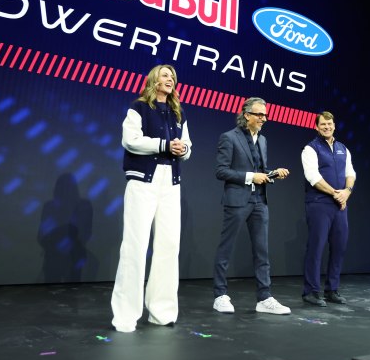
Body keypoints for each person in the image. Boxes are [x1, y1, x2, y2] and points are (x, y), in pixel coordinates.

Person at [111, 64, 192, 333]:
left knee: (169, 246)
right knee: (134, 246)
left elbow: (188, 146)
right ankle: (125, 316)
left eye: (173, 77)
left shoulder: (179, 113)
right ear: (154, 79)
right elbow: (130, 140)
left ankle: (162, 312)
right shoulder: (139, 107)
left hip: (171, 182)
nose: (170, 79)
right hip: (143, 181)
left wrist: (183, 149)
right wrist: (164, 145)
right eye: (165, 75)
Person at [212, 97, 291, 315]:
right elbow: (221, 171)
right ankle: (220, 295)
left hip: (259, 201)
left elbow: (260, 172)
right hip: (237, 200)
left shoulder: (263, 140)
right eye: (259, 114)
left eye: (265, 115)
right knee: (226, 249)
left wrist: (273, 174)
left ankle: (264, 298)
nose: (263, 118)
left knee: (262, 252)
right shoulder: (229, 137)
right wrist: (250, 177)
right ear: (246, 115)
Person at [300, 111, 356, 307]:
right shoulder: (310, 149)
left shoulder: (343, 149)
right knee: (316, 248)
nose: (327, 127)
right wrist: (336, 193)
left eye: (329, 124)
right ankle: (311, 292)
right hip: (319, 204)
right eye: (323, 124)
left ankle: (332, 289)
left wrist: (347, 192)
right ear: (316, 127)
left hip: (340, 205)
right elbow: (313, 177)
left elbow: (350, 173)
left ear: (334, 125)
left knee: (339, 247)